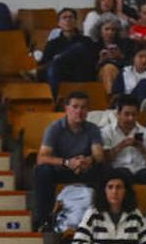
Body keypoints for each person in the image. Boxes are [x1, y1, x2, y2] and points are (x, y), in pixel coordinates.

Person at [33, 91, 107, 231]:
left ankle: (101, 219)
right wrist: (67, 162)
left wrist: (87, 160)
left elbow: (99, 155)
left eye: (84, 107)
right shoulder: (54, 128)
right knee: (42, 170)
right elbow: (41, 157)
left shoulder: (92, 128)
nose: (79, 111)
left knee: (104, 168)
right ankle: (44, 221)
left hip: (84, 169)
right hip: (62, 170)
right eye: (75, 106)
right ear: (67, 109)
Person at [104, 95, 146, 184]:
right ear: (118, 113)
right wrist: (122, 145)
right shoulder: (107, 132)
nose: (131, 118)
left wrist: (142, 148)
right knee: (120, 174)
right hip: (119, 170)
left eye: (134, 115)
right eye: (127, 114)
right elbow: (104, 159)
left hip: (142, 171)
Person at [31, 9, 91, 95]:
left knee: (79, 47)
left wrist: (59, 58)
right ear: (59, 23)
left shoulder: (86, 40)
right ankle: (55, 100)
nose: (68, 20)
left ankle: (56, 60)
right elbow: (44, 62)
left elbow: (89, 61)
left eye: (71, 17)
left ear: (76, 21)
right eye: (64, 18)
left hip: (79, 73)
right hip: (60, 75)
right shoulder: (52, 43)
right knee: (52, 68)